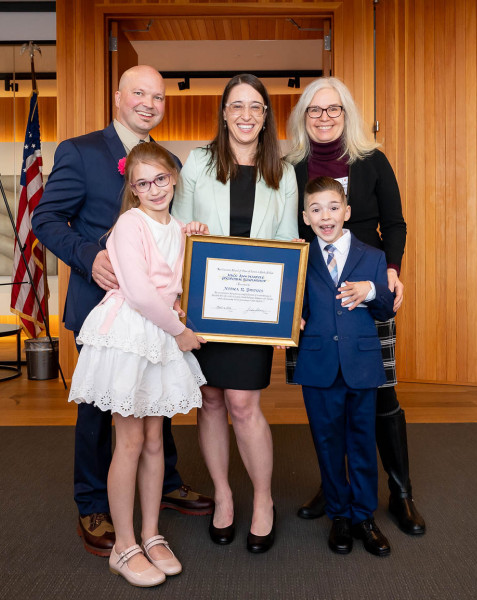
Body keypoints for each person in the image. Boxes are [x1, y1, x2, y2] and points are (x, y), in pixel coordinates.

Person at [31, 65, 213, 559]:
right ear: (118, 97)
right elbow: (45, 217)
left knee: (155, 401)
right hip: (104, 307)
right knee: (100, 412)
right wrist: (91, 257)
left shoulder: (167, 161)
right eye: (139, 93)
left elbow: (171, 232)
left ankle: (166, 483)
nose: (149, 103)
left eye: (157, 96)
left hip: (157, 314)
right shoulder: (82, 150)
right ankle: (93, 504)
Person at [285, 77, 425, 535]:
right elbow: (282, 231)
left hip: (367, 288)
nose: (324, 118)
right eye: (315, 110)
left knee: (379, 396)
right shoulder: (291, 167)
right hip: (315, 294)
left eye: (334, 109)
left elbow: (395, 223)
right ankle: (335, 488)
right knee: (326, 397)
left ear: (347, 114)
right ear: (304, 118)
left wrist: (391, 272)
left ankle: (400, 492)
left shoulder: (373, 162)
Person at [68, 143, 208, 587]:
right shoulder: (129, 224)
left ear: (173, 178)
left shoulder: (177, 226)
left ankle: (151, 533)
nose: (154, 189)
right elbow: (143, 294)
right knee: (128, 441)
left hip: (159, 333)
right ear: (132, 188)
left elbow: (179, 279)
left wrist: (196, 236)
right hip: (133, 333)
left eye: (161, 180)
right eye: (143, 183)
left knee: (153, 439)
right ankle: (124, 544)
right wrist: (181, 332)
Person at [171, 74, 298, 553]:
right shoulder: (198, 163)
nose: (246, 115)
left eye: (256, 107)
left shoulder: (282, 173)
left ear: (266, 116)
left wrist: (289, 309)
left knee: (244, 404)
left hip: (257, 309)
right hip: (204, 305)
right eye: (237, 106)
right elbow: (174, 228)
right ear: (223, 113)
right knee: (211, 401)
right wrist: (189, 231)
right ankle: (224, 496)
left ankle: (262, 500)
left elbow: (288, 245)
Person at [294, 176, 396, 556]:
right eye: (316, 209)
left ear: (347, 212)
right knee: (327, 442)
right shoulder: (300, 257)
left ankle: (363, 516)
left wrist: (371, 291)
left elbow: (385, 308)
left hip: (361, 364)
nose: (325, 216)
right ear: (305, 216)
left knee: (362, 442)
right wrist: (288, 318)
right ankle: (338, 514)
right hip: (319, 364)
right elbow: (293, 305)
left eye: (333, 208)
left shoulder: (372, 256)